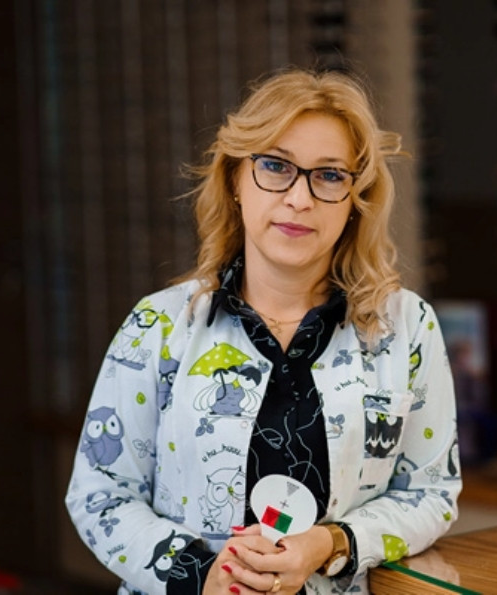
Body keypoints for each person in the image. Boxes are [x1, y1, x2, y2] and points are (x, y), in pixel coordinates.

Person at [66, 68, 461, 595]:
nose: (299, 198)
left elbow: (430, 495)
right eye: (275, 166)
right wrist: (203, 578)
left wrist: (331, 543)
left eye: (329, 175)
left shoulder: (407, 328)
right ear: (236, 180)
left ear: (355, 198)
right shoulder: (158, 326)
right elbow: (100, 494)